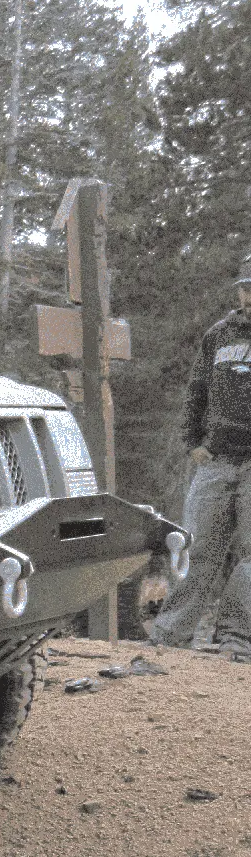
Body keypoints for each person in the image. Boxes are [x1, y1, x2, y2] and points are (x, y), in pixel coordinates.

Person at [151, 252, 251, 659]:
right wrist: (191, 441)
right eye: (245, 288)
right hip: (216, 459)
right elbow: (197, 391)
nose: (248, 296)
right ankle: (171, 636)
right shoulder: (219, 335)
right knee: (196, 547)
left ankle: (237, 640)